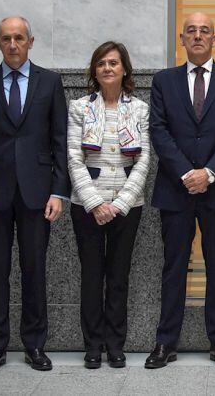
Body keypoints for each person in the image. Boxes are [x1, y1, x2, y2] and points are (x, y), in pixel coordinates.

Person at [0, 16, 70, 373]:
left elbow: (59, 143)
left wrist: (59, 191)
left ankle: (35, 345)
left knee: (34, 271)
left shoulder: (50, 83)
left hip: (37, 195)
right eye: (6, 38)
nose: (13, 44)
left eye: (19, 38)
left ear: (30, 41)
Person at [145, 12, 215, 369]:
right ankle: (165, 342)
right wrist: (187, 173)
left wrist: (210, 173)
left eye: (205, 31)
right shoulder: (164, 81)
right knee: (174, 266)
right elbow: (158, 130)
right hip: (176, 189)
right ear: (182, 38)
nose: (199, 36)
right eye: (192, 31)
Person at [66, 41, 152, 369]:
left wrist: (121, 203)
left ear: (125, 69)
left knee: (118, 276)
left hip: (128, 206)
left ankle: (116, 344)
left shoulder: (140, 109)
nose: (107, 68)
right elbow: (74, 159)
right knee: (91, 275)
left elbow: (144, 161)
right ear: (94, 70)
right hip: (86, 205)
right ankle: (92, 346)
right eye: (101, 63)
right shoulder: (79, 108)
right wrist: (95, 203)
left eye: (113, 63)